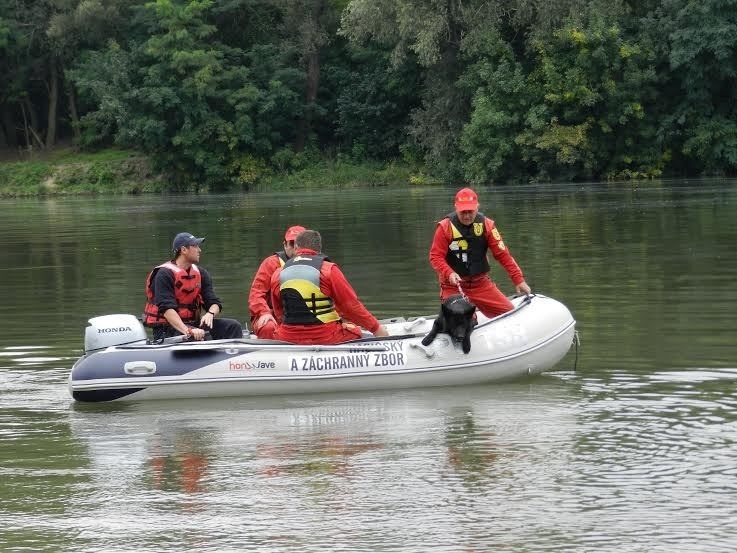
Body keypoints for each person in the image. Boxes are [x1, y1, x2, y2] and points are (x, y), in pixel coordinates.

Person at [269, 229, 389, 344]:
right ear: (318, 250)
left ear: (296, 247)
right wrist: (376, 329)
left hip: (288, 337)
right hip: (325, 336)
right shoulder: (329, 269)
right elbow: (351, 307)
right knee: (354, 330)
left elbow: (279, 312)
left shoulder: (278, 273)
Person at [429, 187, 532, 318]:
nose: (467, 216)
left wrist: (518, 280)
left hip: (481, 284)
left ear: (477, 207)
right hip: (453, 287)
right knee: (462, 320)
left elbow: (503, 255)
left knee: (510, 314)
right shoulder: (444, 227)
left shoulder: (487, 225)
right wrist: (449, 273)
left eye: (470, 211)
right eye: (463, 212)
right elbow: (435, 257)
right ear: (456, 207)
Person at [143, 232, 243, 341]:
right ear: (184, 250)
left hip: (193, 325)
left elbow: (214, 303)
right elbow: (167, 310)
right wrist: (188, 331)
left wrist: (210, 313)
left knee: (233, 326)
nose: (199, 250)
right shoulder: (163, 274)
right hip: (166, 329)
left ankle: (234, 356)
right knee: (203, 336)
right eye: (195, 246)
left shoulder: (201, 273)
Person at [248, 225, 306, 339]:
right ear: (285, 245)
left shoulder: (316, 264)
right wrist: (264, 312)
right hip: (272, 314)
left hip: (301, 315)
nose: (296, 247)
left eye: (299, 243)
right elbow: (256, 294)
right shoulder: (271, 263)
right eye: (292, 243)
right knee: (268, 327)